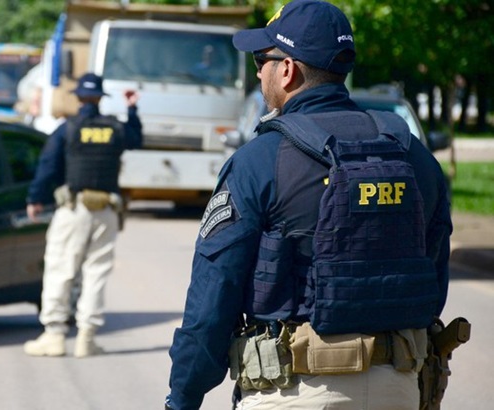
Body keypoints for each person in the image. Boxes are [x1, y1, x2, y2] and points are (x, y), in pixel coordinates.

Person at [165, 1, 452, 409]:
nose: (258, 72)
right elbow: (433, 281)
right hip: (399, 388)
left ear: (287, 69)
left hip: (293, 391)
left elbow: (212, 298)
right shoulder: (413, 156)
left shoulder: (259, 161)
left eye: (260, 60)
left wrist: (183, 396)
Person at [24, 72, 142, 358]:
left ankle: (54, 336)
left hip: (74, 210)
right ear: (100, 99)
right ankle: (86, 339)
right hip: (107, 210)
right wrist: (132, 109)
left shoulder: (67, 129)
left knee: (61, 269)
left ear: (78, 98)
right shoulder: (115, 128)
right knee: (96, 273)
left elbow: (48, 166)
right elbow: (136, 139)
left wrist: (35, 198)